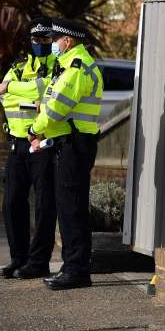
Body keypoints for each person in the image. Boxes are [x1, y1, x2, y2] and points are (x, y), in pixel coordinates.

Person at [28, 19, 103, 290]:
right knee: (70, 207)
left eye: (56, 39)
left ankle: (76, 270)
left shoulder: (75, 69)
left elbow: (56, 109)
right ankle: (74, 267)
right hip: (70, 143)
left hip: (74, 145)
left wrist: (33, 130)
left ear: (68, 41)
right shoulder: (70, 66)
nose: (54, 44)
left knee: (71, 209)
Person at [0, 17, 57, 280]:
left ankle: (39, 262)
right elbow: (1, 95)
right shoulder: (19, 66)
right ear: (29, 41)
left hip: (43, 144)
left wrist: (14, 89)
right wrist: (30, 98)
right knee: (11, 203)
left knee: (44, 205)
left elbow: (47, 93)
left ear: (52, 40)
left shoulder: (58, 66)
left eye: (45, 39)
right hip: (18, 144)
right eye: (36, 39)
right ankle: (18, 259)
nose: (40, 44)